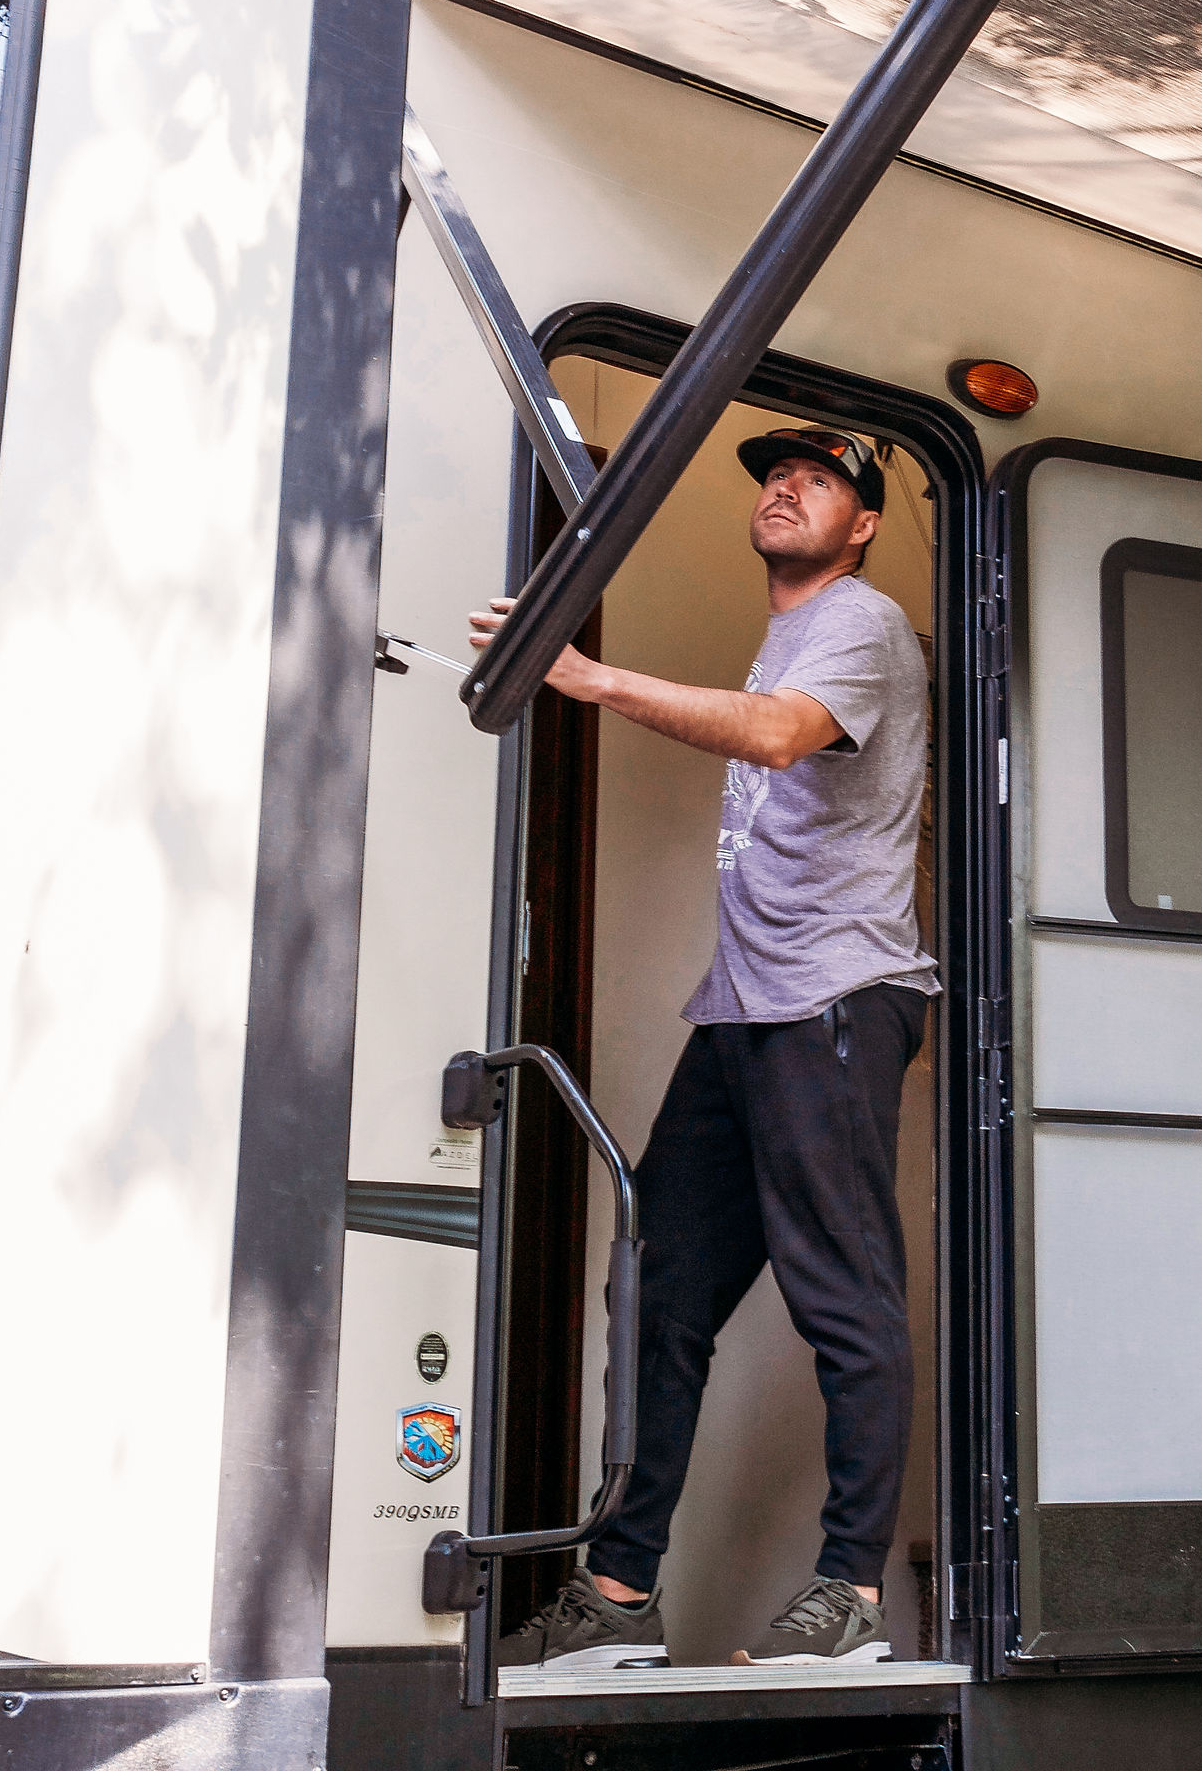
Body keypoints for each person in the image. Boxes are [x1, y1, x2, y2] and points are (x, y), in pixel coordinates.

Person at [470, 426, 934, 1672]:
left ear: (865, 523)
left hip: (834, 999)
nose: (786, 489)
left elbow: (779, 736)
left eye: (821, 480)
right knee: (661, 1289)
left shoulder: (862, 625)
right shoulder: (787, 630)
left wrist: (596, 679)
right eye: (775, 475)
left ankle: (849, 1596)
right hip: (742, 1009)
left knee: (846, 1300)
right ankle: (619, 1592)